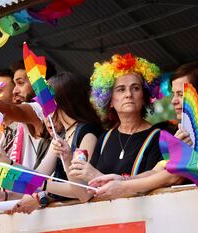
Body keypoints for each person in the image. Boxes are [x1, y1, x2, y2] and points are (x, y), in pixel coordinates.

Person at [0, 72, 103, 213]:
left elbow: (81, 190)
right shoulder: (62, 134)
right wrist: (8, 168)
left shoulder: (88, 133)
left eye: (45, 99)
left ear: (60, 100)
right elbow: (38, 174)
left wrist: (42, 185)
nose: (42, 105)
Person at [73, 54, 184, 201]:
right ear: (110, 100)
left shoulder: (160, 137)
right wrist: (67, 158)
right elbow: (88, 192)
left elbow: (151, 186)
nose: (128, 95)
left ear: (144, 97)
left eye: (135, 88)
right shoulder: (104, 138)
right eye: (120, 89)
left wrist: (96, 176)